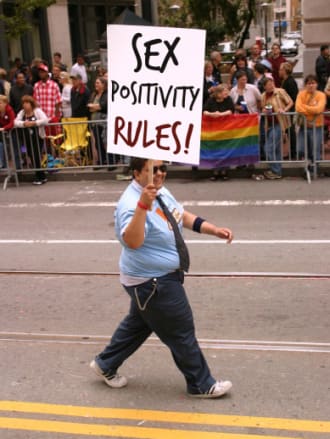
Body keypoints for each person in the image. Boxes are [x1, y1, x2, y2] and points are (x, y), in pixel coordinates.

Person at [90, 157, 233, 398]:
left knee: (141, 323)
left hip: (149, 280)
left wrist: (212, 229)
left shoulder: (159, 191)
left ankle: (105, 363)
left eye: (163, 169)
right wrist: (143, 206)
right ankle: (201, 384)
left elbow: (179, 215)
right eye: (153, 170)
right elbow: (132, 241)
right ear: (137, 174)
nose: (160, 174)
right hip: (153, 281)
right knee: (180, 329)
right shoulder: (131, 203)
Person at [261, 77, 293, 179]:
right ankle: (278, 171)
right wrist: (264, 111)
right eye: (269, 84)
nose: (271, 85)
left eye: (272, 83)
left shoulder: (280, 92)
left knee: (268, 148)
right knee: (277, 149)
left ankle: (275, 170)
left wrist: (283, 109)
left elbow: (290, 102)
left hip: (279, 123)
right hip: (269, 124)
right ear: (264, 86)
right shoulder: (263, 96)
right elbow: (262, 108)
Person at [295, 74, 326, 177]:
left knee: (315, 149)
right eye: (309, 83)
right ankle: (308, 165)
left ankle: (313, 170)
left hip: (317, 126)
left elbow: (319, 109)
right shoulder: (301, 94)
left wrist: (305, 108)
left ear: (316, 84)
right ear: (305, 85)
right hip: (304, 126)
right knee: (300, 148)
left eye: (313, 83)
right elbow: (298, 108)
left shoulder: (321, 95)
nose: (311, 85)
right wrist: (311, 109)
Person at [14, 95, 49, 185]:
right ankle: (41, 175)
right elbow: (15, 122)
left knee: (36, 156)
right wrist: (24, 124)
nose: (25, 105)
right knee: (31, 155)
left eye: (27, 103)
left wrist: (35, 123)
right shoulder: (22, 113)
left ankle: (39, 176)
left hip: (37, 137)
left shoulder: (37, 111)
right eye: (23, 103)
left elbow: (45, 120)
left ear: (31, 104)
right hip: (27, 139)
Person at [203, 84, 235, 181]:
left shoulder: (228, 99)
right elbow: (204, 111)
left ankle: (224, 171)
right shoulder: (210, 100)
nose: (226, 93)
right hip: (213, 129)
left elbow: (231, 110)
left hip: (226, 128)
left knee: (225, 149)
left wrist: (221, 114)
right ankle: (215, 171)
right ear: (218, 93)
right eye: (224, 92)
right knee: (215, 149)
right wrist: (212, 114)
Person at [279, 62, 299, 157]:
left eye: (280, 69)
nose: (279, 71)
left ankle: (294, 152)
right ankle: (292, 152)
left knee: (291, 131)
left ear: (284, 71)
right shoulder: (285, 81)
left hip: (290, 110)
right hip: (287, 109)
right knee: (288, 131)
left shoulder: (290, 82)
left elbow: (293, 98)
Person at [88, 77, 108, 166]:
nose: (96, 84)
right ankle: (101, 159)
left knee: (105, 141)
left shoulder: (106, 94)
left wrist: (95, 107)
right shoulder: (94, 95)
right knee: (97, 143)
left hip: (103, 122)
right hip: (95, 122)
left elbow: (103, 106)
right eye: (95, 83)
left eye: (98, 83)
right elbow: (89, 107)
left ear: (104, 85)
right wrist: (96, 106)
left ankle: (108, 160)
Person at [0, 95, 15, 168]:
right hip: (3, 133)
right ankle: (3, 164)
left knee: (18, 148)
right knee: (2, 146)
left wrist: (4, 128)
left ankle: (22, 160)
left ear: (5, 103)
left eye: (0, 103)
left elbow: (12, 122)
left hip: (13, 132)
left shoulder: (9, 110)